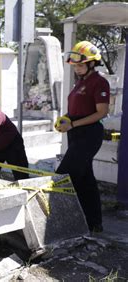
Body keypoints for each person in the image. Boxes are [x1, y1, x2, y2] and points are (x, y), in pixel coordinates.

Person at [55, 41, 109, 233]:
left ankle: (60, 222)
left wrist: (73, 124)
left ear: (92, 63)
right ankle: (94, 223)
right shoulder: (81, 82)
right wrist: (66, 120)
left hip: (89, 134)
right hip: (76, 133)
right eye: (75, 65)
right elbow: (78, 109)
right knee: (86, 179)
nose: (77, 68)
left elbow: (101, 113)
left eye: (80, 65)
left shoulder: (99, 82)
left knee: (63, 176)